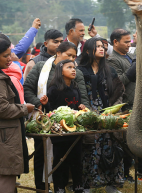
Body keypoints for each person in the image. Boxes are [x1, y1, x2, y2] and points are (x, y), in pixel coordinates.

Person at [24, 42, 90, 192]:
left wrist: (83, 110)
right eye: (69, 56)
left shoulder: (76, 76)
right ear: (58, 53)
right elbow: (27, 87)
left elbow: (83, 97)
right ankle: (43, 188)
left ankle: (72, 185)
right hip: (47, 122)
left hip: (72, 128)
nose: (73, 60)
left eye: (74, 57)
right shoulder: (41, 67)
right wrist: (39, 104)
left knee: (74, 157)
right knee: (45, 155)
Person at [78, 37, 124, 193]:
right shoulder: (80, 70)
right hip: (88, 113)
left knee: (111, 147)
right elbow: (79, 93)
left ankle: (112, 184)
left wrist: (113, 111)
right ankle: (87, 185)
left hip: (108, 113)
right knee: (90, 150)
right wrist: (88, 113)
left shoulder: (109, 70)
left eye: (103, 47)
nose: (102, 49)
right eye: (97, 46)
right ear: (88, 50)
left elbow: (119, 90)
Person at [40, 59, 86, 193]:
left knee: (77, 159)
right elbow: (50, 111)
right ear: (61, 71)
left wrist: (81, 107)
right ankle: (59, 187)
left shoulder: (76, 87)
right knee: (61, 160)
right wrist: (45, 104)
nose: (73, 70)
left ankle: (78, 185)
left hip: (75, 130)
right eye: (69, 67)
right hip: (59, 132)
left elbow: (78, 106)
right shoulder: (53, 89)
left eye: (74, 68)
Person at [0, 37, 34, 193]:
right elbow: (3, 109)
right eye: (5, 55)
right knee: (5, 177)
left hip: (5, 135)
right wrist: (25, 108)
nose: (10, 58)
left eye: (10, 54)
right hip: (4, 136)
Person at [107, 29, 136, 182]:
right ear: (115, 42)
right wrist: (133, 70)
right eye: (126, 41)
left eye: (130, 41)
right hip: (125, 105)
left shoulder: (131, 56)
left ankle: (134, 172)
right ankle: (125, 173)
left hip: (137, 102)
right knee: (125, 142)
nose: (129, 44)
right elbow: (118, 83)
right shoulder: (113, 60)